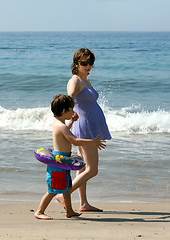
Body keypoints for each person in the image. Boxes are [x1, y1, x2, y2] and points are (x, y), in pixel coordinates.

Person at [34, 94, 106, 220]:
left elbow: (65, 132)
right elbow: (75, 141)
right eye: (71, 109)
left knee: (67, 189)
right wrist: (92, 142)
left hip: (63, 162)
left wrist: (72, 121)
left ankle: (70, 211)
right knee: (52, 190)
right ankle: (39, 211)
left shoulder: (59, 123)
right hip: (58, 163)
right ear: (64, 111)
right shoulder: (60, 126)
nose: (73, 111)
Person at [57, 48, 111, 212]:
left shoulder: (84, 80)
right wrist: (68, 116)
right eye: (84, 63)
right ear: (76, 63)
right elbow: (70, 98)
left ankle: (83, 203)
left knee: (82, 167)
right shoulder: (75, 81)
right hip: (85, 127)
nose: (88, 66)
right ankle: (64, 194)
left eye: (90, 63)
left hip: (90, 125)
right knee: (92, 169)